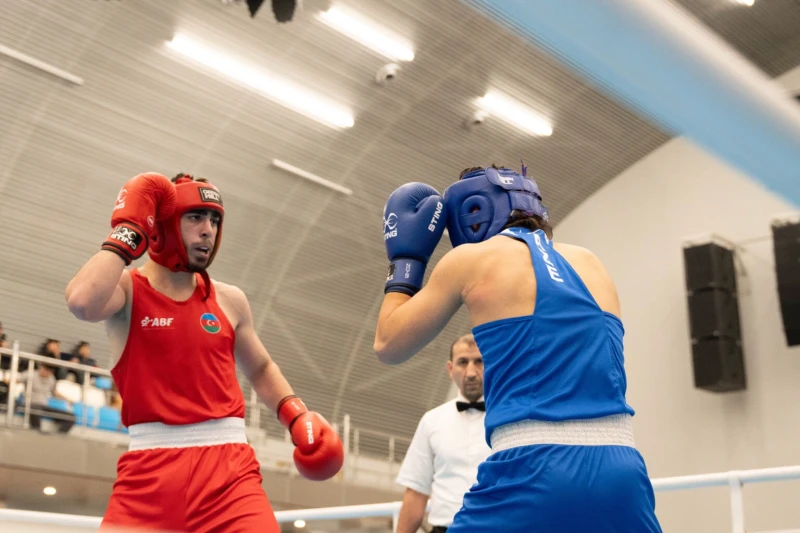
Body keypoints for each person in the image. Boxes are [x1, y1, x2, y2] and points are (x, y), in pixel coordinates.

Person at [374, 164, 662, 532]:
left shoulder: (472, 259)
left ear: (469, 214)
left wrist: (406, 260)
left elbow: (388, 344)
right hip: (622, 471)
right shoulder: (592, 262)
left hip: (532, 468)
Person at [66, 172, 344, 532]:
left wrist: (294, 414)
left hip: (229, 476)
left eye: (214, 219)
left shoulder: (229, 300)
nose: (208, 230)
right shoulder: (127, 292)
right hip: (146, 478)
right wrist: (126, 231)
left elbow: (259, 367)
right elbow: (81, 302)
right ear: (162, 223)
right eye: (195, 217)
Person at [395, 333, 491, 533]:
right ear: (450, 369)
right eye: (463, 362)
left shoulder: (509, 418)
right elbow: (415, 493)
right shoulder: (432, 421)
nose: (471, 372)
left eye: (479, 362)